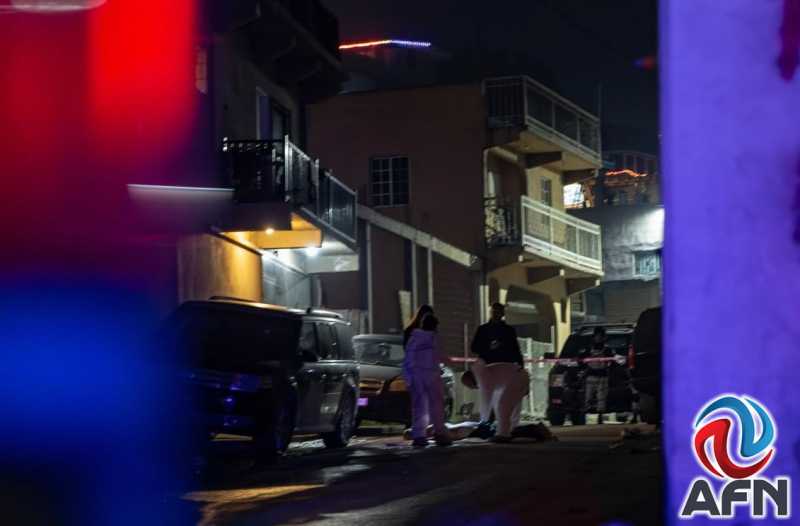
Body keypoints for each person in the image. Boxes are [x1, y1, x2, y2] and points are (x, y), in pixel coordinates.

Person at [470, 303, 528, 442]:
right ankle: (493, 427)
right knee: (492, 400)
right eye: (494, 311)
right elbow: (475, 347)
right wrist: (489, 347)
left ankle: (507, 430)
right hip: (490, 368)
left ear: (502, 313)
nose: (496, 314)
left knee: (503, 403)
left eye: (498, 312)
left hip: (506, 369)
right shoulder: (484, 329)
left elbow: (515, 350)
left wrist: (520, 368)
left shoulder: (508, 331)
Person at [403, 314, 452, 448]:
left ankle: (419, 435)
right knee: (436, 405)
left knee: (419, 406)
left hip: (416, 375)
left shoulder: (414, 338)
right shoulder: (434, 338)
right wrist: (447, 362)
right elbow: (439, 355)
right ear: (434, 326)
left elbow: (408, 358)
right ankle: (439, 432)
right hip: (431, 375)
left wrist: (408, 377)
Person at [581, 326, 614, 424]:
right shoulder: (588, 349)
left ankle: (600, 416)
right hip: (591, 376)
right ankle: (585, 414)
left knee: (601, 397)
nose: (599, 338)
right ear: (594, 337)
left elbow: (612, 361)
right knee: (588, 396)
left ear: (604, 337)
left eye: (601, 336)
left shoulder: (607, 350)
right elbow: (581, 360)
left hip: (602, 376)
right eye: (597, 336)